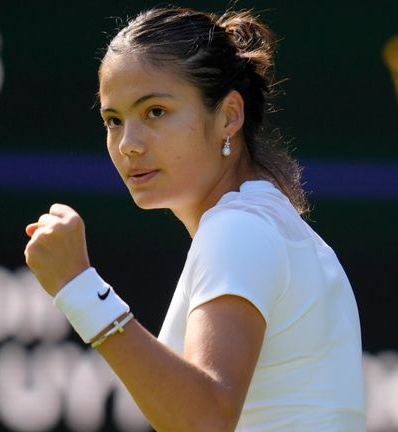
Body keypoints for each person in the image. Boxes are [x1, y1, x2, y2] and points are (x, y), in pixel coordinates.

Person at [24, 6, 365, 431]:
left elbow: (204, 420)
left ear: (228, 116)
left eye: (155, 112)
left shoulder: (237, 228)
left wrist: (79, 288)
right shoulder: (262, 224)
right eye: (114, 120)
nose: (128, 143)